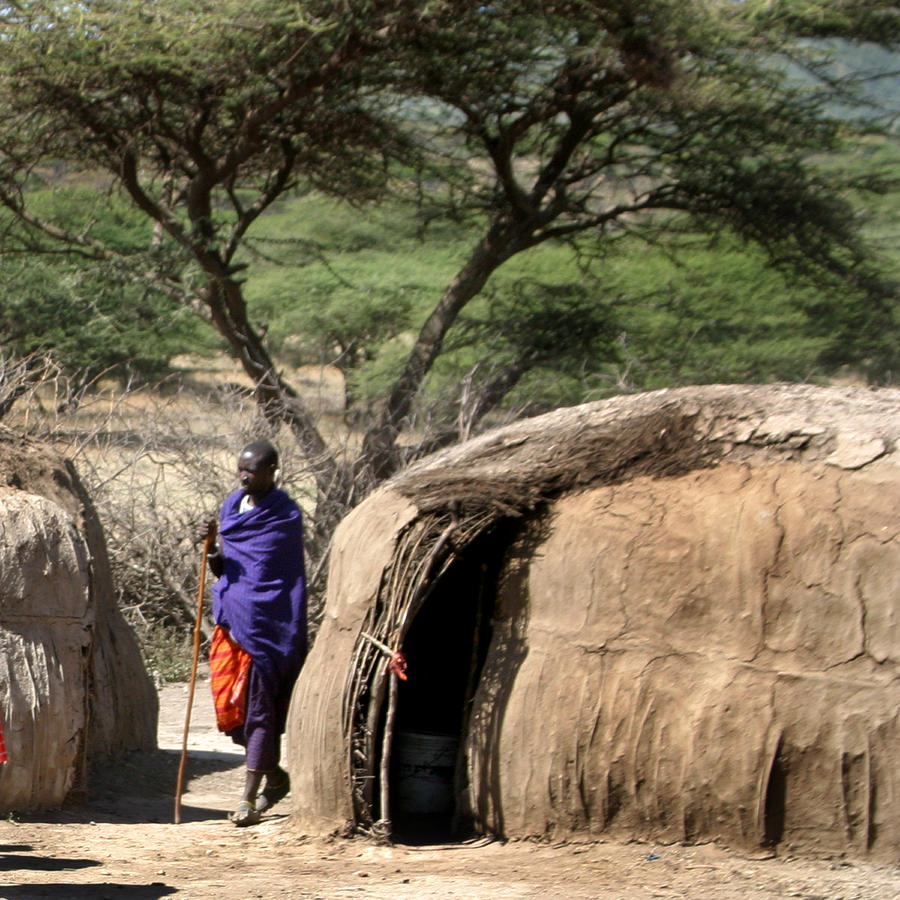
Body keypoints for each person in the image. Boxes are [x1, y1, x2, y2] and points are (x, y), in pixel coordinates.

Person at [199, 439, 308, 827]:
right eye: (240, 469)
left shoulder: (284, 515)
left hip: (267, 627)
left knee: (260, 709)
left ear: (272, 471)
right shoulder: (232, 506)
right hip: (231, 621)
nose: (244, 476)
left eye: (252, 470)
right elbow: (225, 570)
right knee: (233, 708)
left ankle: (247, 798)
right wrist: (212, 548)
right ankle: (275, 777)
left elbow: (275, 578)